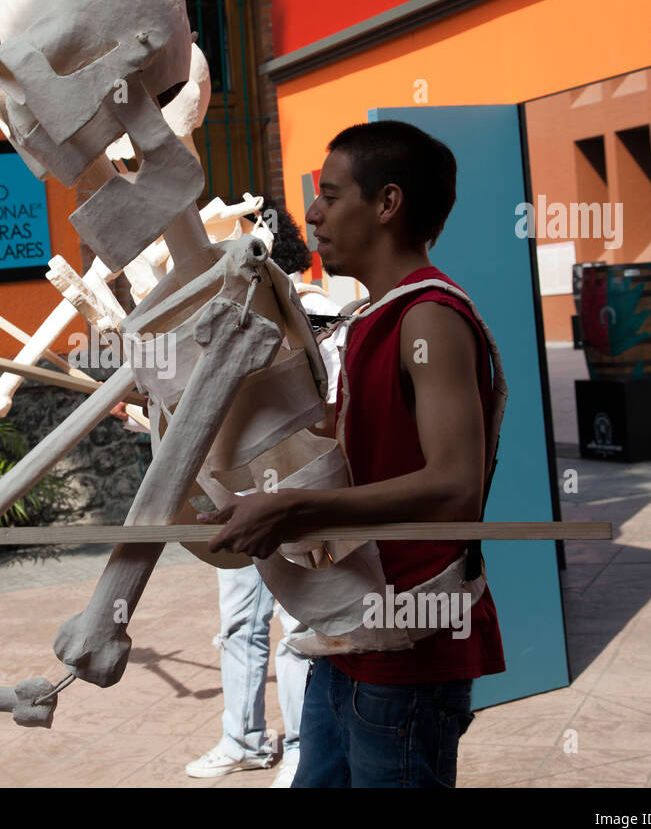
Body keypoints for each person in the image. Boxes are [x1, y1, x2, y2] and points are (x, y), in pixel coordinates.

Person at [204, 120, 506, 788]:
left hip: (410, 645)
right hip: (351, 634)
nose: (312, 212)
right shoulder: (369, 318)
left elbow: (456, 485)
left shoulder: (428, 317)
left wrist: (296, 506)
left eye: (332, 195)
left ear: (388, 204)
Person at [184, 200, 341, 788]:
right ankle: (243, 740)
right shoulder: (233, 319)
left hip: (296, 492)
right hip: (241, 489)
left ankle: (304, 746)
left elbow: (316, 409)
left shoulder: (315, 312)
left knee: (297, 624)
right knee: (237, 623)